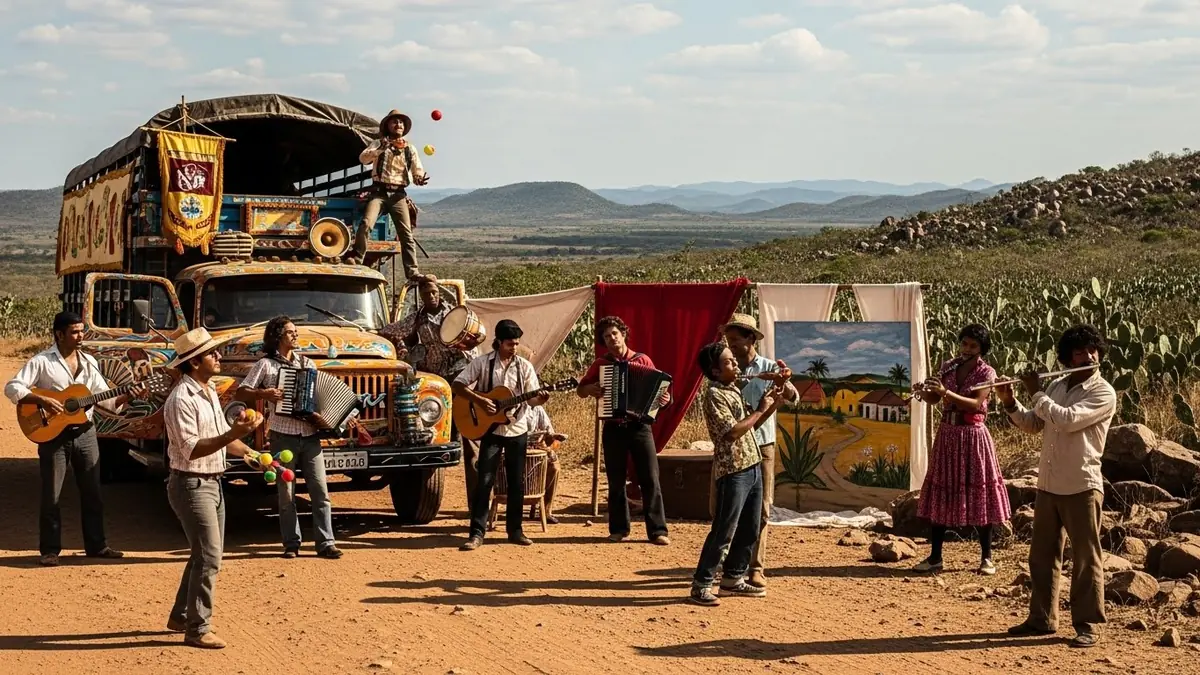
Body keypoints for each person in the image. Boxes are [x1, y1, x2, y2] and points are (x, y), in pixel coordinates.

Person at [1000, 324, 1117, 649]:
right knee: (1042, 556)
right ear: (1067, 358)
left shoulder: (1103, 392)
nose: (1088, 356)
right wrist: (1010, 402)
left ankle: (1088, 624)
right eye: (1080, 352)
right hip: (1049, 484)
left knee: (1085, 558)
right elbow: (1034, 424)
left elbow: (1066, 420)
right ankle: (1041, 619)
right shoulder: (1057, 386)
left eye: (1092, 350)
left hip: (1081, 484)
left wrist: (1036, 392)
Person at [5, 311, 145, 566]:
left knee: (93, 492)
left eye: (82, 331)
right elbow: (12, 387)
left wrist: (128, 395)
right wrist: (42, 400)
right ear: (59, 335)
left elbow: (108, 400)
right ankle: (50, 551)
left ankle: (97, 546)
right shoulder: (42, 361)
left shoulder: (89, 362)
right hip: (52, 435)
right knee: (52, 495)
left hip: (85, 433)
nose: (81, 336)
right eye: (75, 332)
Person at [163, 327, 262, 649]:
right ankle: (197, 628)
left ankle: (181, 615)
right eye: (211, 354)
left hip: (212, 482)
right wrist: (235, 433)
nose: (218, 357)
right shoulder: (181, 399)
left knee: (203, 554)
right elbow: (192, 448)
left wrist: (253, 454)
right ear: (194, 362)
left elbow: (222, 438)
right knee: (209, 557)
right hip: (191, 483)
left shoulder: (207, 392)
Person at [236, 316, 342, 560]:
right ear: (277, 336)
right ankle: (291, 544)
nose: (296, 335)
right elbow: (242, 392)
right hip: (283, 436)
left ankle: (326, 543)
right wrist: (264, 394)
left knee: (320, 492)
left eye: (296, 332)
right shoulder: (265, 365)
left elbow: (317, 398)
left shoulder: (308, 364)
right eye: (290, 332)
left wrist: (324, 417)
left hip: (310, 436)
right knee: (286, 494)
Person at [911, 324, 1012, 575]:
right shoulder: (948, 366)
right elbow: (936, 399)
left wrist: (945, 392)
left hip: (973, 437)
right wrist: (924, 392)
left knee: (980, 492)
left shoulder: (986, 372)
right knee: (942, 490)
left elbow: (976, 404)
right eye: (964, 343)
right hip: (948, 436)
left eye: (973, 346)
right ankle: (935, 557)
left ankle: (986, 558)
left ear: (982, 349)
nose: (967, 349)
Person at [691, 341, 784, 606]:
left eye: (733, 360)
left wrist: (772, 401)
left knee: (750, 527)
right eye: (729, 362)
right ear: (715, 371)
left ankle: (732, 578)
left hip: (752, 464)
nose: (735, 364)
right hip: (733, 470)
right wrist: (761, 408)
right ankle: (701, 584)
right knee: (724, 529)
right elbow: (732, 433)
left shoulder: (732, 389)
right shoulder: (714, 395)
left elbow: (751, 426)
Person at [379, 274, 483, 503]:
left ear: (439, 292)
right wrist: (403, 348)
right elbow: (389, 331)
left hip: (460, 377)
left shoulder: (456, 314)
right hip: (436, 382)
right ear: (421, 295)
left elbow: (477, 338)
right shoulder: (417, 319)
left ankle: (478, 502)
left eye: (434, 292)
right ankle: (423, 494)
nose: (431, 296)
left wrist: (471, 347)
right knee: (428, 433)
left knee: (470, 436)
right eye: (426, 293)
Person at [452, 320, 548, 550]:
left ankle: (515, 531)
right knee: (485, 480)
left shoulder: (524, 367)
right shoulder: (482, 363)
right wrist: (480, 401)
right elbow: (458, 385)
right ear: (498, 342)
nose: (514, 348)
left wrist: (541, 398)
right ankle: (477, 533)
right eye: (509, 344)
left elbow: (532, 400)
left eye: (516, 344)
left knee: (517, 482)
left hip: (517, 429)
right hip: (491, 430)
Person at [576, 315, 671, 545]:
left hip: (640, 427)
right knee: (615, 479)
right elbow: (581, 390)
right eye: (607, 336)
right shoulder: (601, 364)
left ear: (623, 334)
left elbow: (658, 391)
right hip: (613, 427)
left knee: (650, 478)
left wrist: (665, 399)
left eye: (615, 334)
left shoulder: (643, 360)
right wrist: (591, 389)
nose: (612, 339)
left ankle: (658, 531)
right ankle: (618, 529)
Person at [721, 313, 798, 589]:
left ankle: (756, 566)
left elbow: (794, 397)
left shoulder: (768, 367)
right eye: (728, 340)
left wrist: (783, 383)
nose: (731, 345)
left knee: (761, 509)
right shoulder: (725, 368)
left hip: (762, 445)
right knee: (727, 508)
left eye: (735, 339)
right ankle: (729, 564)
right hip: (733, 446)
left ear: (751, 339)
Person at [350, 108, 429, 275]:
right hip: (379, 192)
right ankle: (357, 259)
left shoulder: (410, 148)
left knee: (406, 234)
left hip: (398, 195)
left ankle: (412, 271)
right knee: (366, 224)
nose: (398, 124)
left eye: (401, 122)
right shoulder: (378, 143)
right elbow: (363, 159)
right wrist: (380, 149)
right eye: (395, 121)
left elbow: (417, 170)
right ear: (388, 126)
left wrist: (419, 179)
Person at [524, 404, 566, 525]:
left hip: (534, 453)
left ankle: (547, 510)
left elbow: (552, 437)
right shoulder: (510, 406)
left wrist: (549, 445)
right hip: (512, 452)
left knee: (554, 467)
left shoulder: (537, 409)